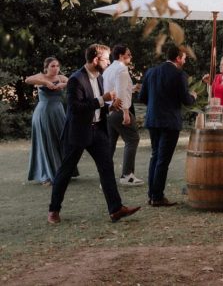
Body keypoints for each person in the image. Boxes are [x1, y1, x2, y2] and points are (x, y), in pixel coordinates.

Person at [47, 44, 141, 224]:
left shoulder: (100, 78)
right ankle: (54, 210)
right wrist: (102, 100)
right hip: (78, 132)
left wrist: (110, 106)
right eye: (106, 59)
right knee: (65, 171)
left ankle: (116, 209)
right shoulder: (76, 79)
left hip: (98, 129)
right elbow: (76, 108)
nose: (108, 62)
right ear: (96, 59)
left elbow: (99, 106)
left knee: (106, 168)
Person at [139, 44, 197, 207]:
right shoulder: (179, 75)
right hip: (169, 121)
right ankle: (157, 196)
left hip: (153, 119)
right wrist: (193, 96)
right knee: (163, 160)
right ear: (178, 58)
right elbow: (186, 100)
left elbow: (142, 97)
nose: (184, 61)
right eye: (184, 58)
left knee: (155, 156)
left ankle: (152, 194)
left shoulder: (151, 72)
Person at [25, 57, 69, 185]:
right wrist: (45, 83)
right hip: (44, 112)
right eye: (52, 66)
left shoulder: (61, 78)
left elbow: (75, 82)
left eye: (57, 66)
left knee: (62, 139)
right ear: (46, 68)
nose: (56, 68)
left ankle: (63, 172)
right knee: (46, 141)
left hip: (59, 111)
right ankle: (47, 175)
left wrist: (63, 85)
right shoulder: (41, 76)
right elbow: (28, 80)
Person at [103, 45, 143, 186]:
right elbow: (120, 93)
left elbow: (113, 89)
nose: (131, 56)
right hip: (119, 110)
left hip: (108, 111)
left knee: (110, 145)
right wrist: (126, 112)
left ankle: (105, 176)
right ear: (121, 55)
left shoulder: (108, 70)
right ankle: (127, 175)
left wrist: (132, 88)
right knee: (132, 139)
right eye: (129, 54)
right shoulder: (121, 69)